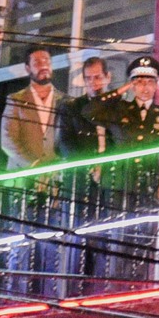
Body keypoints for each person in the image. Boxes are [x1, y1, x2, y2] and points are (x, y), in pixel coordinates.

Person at [96, 54, 159, 281]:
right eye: (139, 82)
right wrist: (120, 91)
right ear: (132, 84)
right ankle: (114, 289)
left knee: (144, 243)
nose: (145, 87)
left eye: (150, 82)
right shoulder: (119, 109)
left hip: (149, 186)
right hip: (121, 183)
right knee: (118, 240)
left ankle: (138, 288)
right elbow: (91, 111)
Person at [0, 47, 65, 296]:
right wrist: (34, 167)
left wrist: (53, 170)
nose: (43, 64)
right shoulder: (16, 99)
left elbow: (66, 141)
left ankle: (48, 297)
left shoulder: (64, 100)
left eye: (47, 60)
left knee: (51, 242)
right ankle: (15, 298)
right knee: (20, 240)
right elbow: (7, 140)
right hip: (23, 185)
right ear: (28, 68)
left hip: (54, 186)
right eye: (37, 61)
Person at [58, 56, 118, 286]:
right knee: (77, 243)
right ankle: (74, 290)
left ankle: (100, 291)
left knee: (105, 243)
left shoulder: (119, 107)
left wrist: (107, 166)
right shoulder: (72, 108)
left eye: (98, 77)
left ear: (108, 77)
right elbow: (65, 145)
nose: (93, 82)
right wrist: (91, 165)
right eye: (88, 78)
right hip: (80, 185)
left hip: (109, 185)